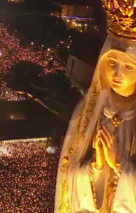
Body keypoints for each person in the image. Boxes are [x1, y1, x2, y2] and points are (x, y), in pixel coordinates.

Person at [55, 33, 136, 213]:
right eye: (112, 63)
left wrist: (118, 163)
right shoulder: (91, 109)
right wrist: (97, 165)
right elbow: (70, 172)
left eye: (128, 67)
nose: (117, 74)